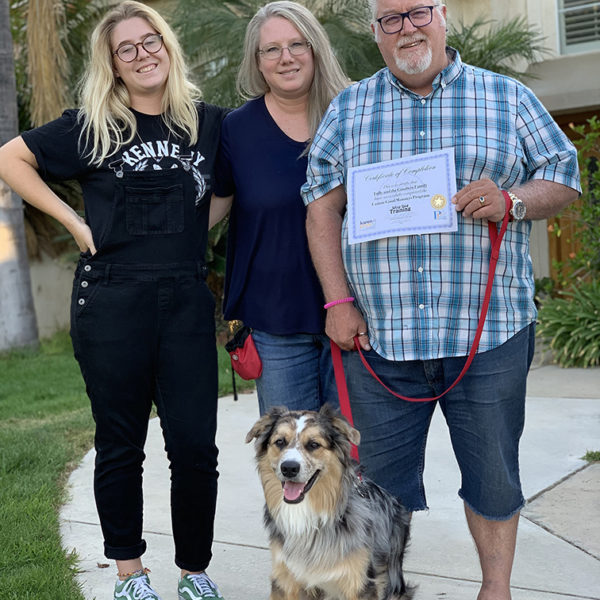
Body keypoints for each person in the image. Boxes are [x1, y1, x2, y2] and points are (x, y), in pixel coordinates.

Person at [301, 1, 581, 599]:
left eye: (417, 12)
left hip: (488, 337)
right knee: (373, 489)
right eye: (390, 19)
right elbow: (322, 206)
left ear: (443, 15)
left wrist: (513, 201)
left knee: (494, 479)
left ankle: (495, 590)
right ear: (375, 32)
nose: (407, 28)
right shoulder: (349, 110)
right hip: (380, 336)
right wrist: (336, 302)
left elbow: (563, 174)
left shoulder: (505, 98)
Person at [0, 2, 228, 599]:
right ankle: (130, 573)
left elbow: (224, 193)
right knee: (121, 443)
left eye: (151, 41)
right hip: (110, 299)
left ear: (168, 47)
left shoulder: (206, 123)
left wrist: (189, 232)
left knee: (195, 447)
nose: (143, 53)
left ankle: (194, 572)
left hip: (183, 297)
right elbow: (10, 158)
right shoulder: (93, 124)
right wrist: (75, 222)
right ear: (113, 65)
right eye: (127, 48)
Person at [210, 1, 349, 415]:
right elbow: (213, 208)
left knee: (356, 462)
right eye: (271, 49)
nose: (285, 57)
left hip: (359, 316)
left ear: (316, 48)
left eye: (296, 44)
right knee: (291, 464)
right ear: (257, 61)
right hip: (274, 323)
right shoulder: (237, 128)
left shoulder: (356, 113)